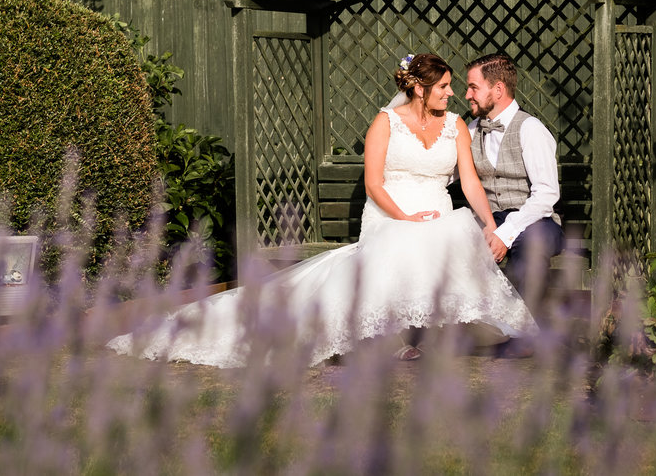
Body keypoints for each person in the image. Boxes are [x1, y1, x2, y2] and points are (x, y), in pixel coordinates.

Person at [106, 53, 537, 367]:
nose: (451, 94)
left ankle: (459, 333)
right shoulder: (384, 123)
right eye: (444, 87)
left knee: (454, 233)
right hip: (393, 213)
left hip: (437, 213)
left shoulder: (456, 126)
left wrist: (489, 224)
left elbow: (469, 181)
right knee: (407, 245)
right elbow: (373, 183)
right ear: (421, 89)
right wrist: (405, 220)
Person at [464, 53, 565, 313]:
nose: (467, 95)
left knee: (531, 248)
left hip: (535, 221)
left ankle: (526, 331)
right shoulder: (472, 129)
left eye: (473, 87)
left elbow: (546, 194)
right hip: (489, 220)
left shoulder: (530, 129)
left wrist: (506, 232)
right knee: (458, 247)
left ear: (498, 89)